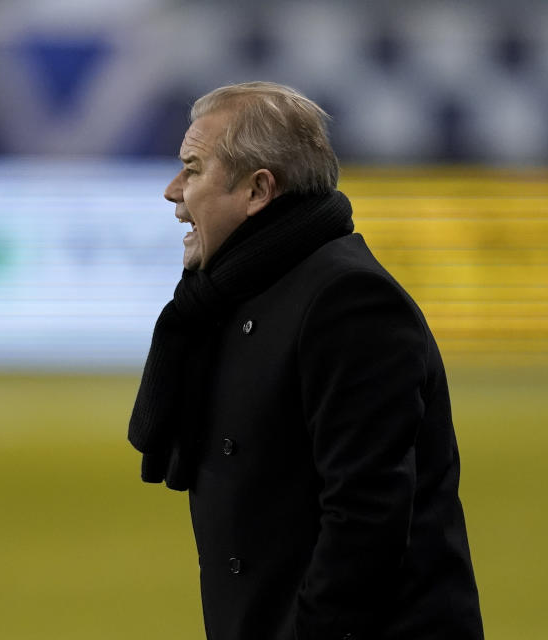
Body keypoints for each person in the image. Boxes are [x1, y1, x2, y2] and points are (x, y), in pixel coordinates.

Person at [128, 82, 483, 640]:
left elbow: (366, 518)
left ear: (257, 190)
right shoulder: (239, 292)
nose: (173, 191)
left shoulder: (349, 302)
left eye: (193, 169)